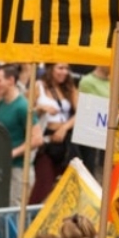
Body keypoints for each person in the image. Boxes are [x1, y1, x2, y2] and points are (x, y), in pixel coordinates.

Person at [0, 64, 42, 206]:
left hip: (19, 170)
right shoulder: (0, 104)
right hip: (4, 167)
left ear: (11, 81)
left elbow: (37, 139)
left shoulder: (23, 106)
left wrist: (13, 153)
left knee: (14, 211)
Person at [30, 63, 79, 203]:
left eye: (66, 69)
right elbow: (27, 111)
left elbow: (80, 112)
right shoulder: (38, 86)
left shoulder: (69, 88)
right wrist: (40, 108)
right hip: (46, 138)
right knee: (43, 183)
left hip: (65, 139)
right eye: (60, 68)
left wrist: (64, 128)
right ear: (51, 69)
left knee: (70, 183)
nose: (64, 72)